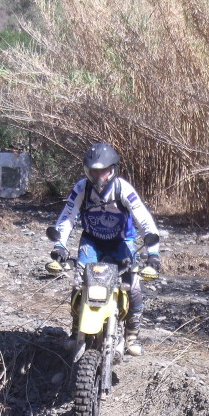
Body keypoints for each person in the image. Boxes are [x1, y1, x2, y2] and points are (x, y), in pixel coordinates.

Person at [50, 142, 161, 356]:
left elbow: (143, 219)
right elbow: (67, 216)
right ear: (87, 171)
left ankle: (132, 334)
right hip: (92, 241)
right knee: (79, 283)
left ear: (113, 170)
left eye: (103, 171)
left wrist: (153, 253)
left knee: (134, 286)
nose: (99, 176)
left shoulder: (123, 189)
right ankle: (76, 330)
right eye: (94, 171)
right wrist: (60, 245)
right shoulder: (82, 188)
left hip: (122, 243)